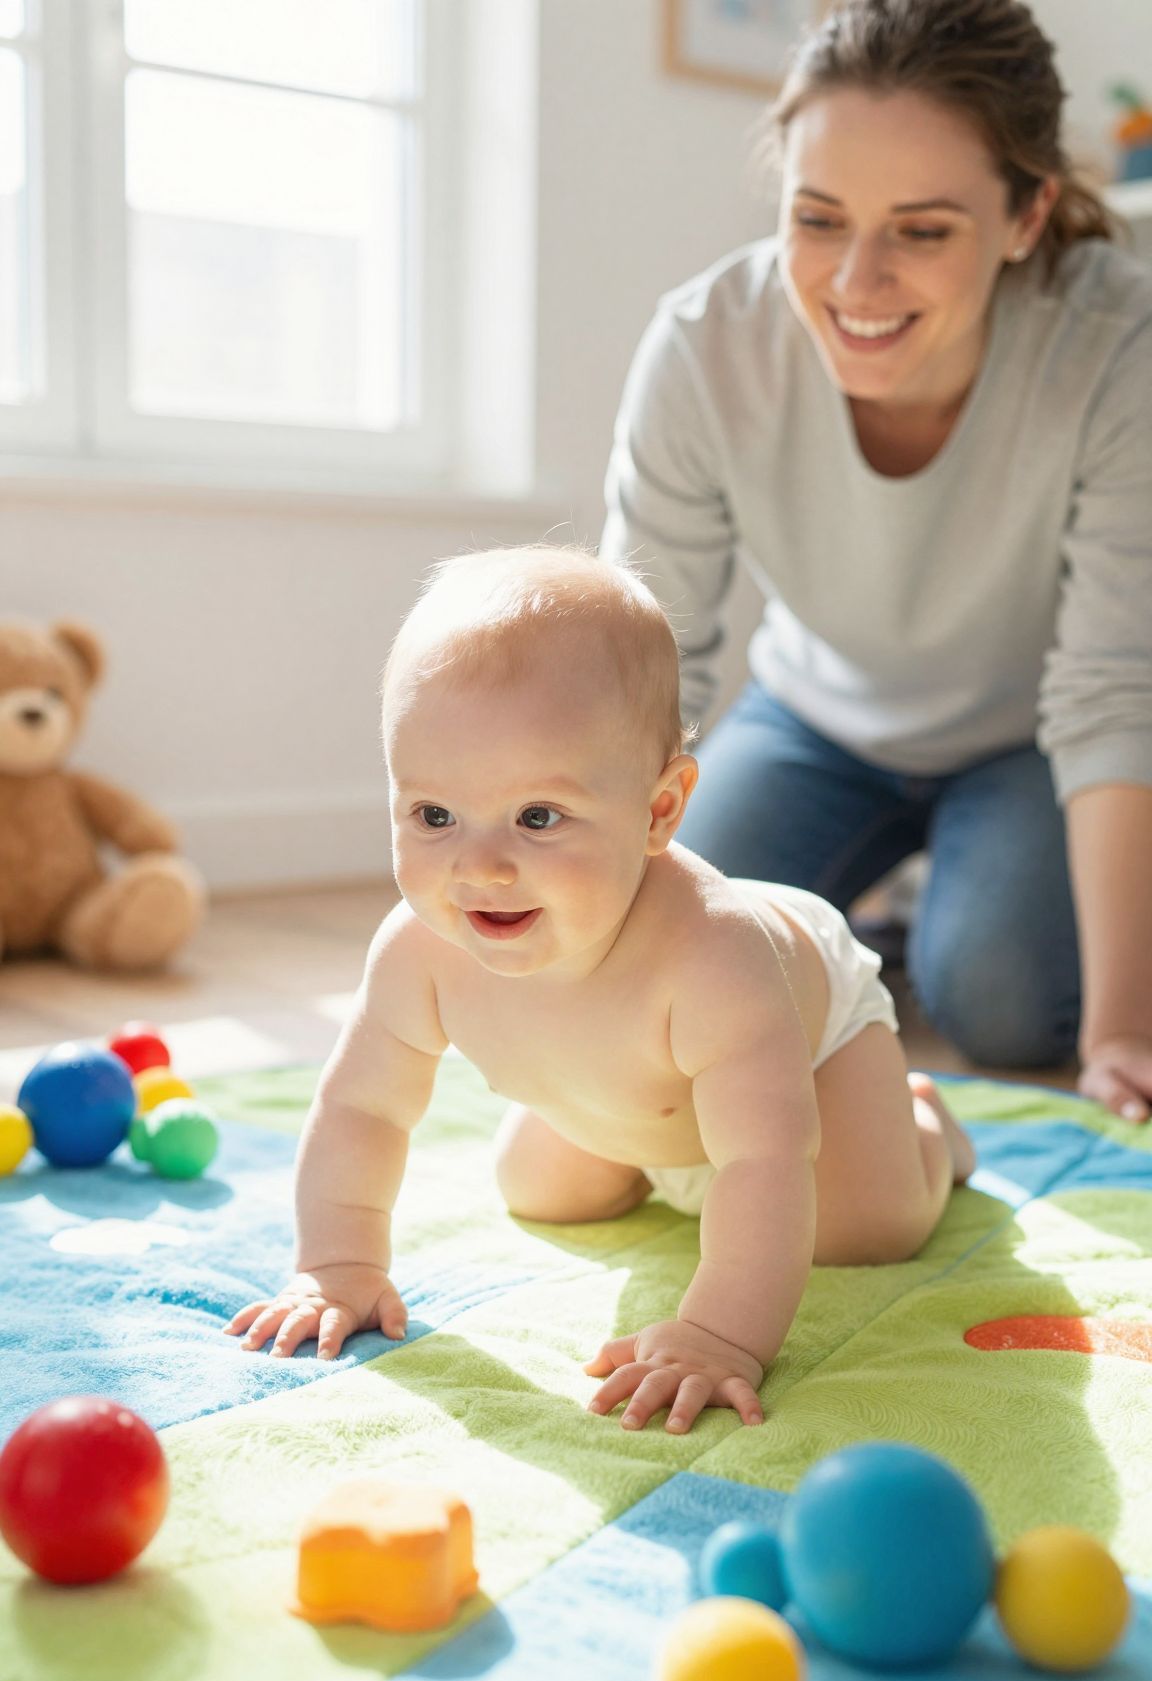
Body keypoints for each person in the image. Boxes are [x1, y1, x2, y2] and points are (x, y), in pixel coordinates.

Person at [227, 547, 974, 1436]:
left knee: (862, 1227)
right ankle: (634, 1127)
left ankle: (920, 1122)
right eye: (434, 817)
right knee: (540, 1190)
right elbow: (362, 1109)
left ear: (658, 812)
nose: (480, 867)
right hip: (630, 1078)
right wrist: (338, 1260)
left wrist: (717, 1333)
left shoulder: (718, 960)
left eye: (538, 818)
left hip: (807, 1039)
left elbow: (761, 1162)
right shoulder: (420, 949)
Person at [601, 0, 1152, 1119]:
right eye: (819, 217)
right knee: (665, 952)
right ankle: (873, 933)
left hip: (1029, 743)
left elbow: (1111, 686)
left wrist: (1123, 1033)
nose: (856, 281)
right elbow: (641, 662)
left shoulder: (1116, 345)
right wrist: (585, 962)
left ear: (1026, 215)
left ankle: (928, 926)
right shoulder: (708, 343)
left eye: (923, 229)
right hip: (814, 722)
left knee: (1000, 1000)